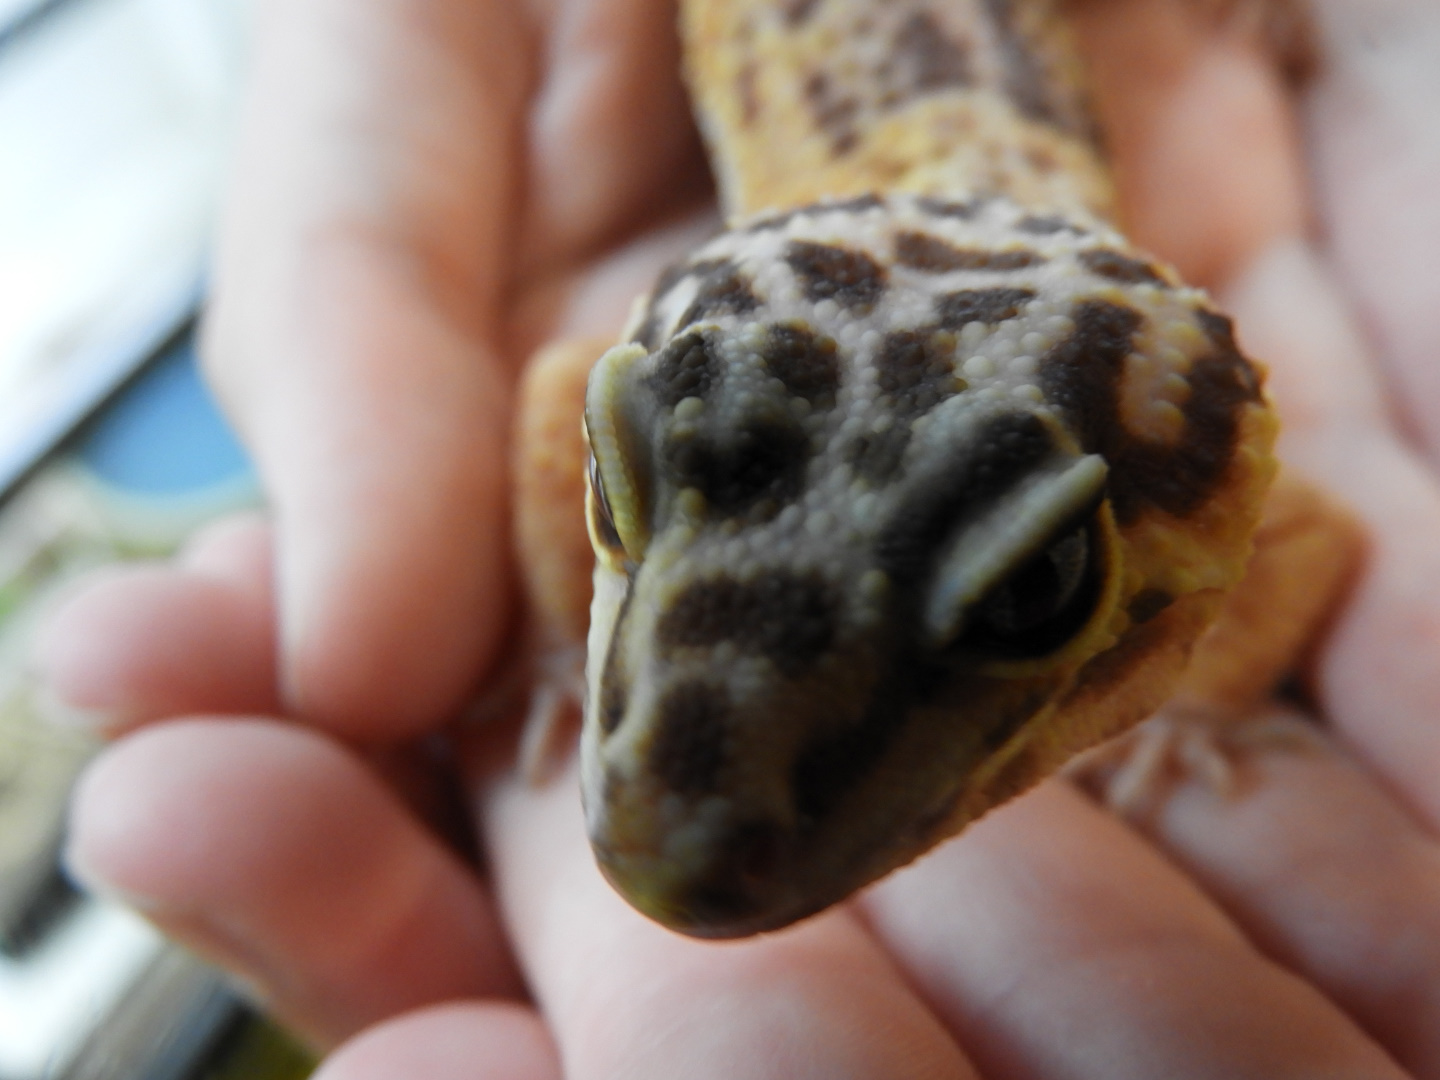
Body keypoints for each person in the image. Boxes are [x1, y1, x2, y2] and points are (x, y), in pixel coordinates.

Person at [36, 0, 1440, 1075]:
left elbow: (1306, 541)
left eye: (1031, 591)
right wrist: (563, 631)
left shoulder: (1110, 412)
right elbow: (569, 400)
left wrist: (1189, 692)